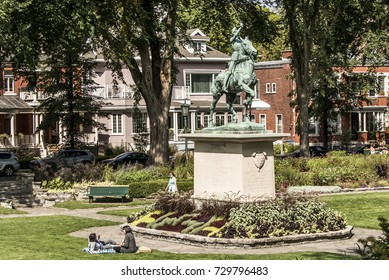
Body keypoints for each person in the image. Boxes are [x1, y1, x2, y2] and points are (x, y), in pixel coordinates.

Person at [222, 22, 244, 93]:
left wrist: (241, 38)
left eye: (236, 31)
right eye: (234, 31)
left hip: (241, 57)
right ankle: (224, 86)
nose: (236, 32)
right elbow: (235, 35)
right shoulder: (232, 39)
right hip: (235, 56)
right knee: (229, 72)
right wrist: (240, 27)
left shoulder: (240, 40)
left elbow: (246, 44)